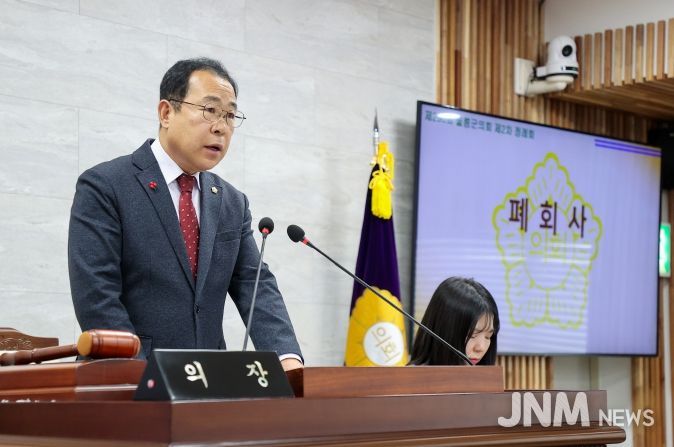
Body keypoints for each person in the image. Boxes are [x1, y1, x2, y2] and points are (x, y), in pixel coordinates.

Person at [68, 58, 303, 370]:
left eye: (230, 115)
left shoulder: (231, 202)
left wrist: (287, 358)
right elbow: (97, 297)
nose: (221, 127)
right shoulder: (106, 186)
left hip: (209, 382)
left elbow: (255, 284)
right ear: (166, 113)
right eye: (210, 110)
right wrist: (141, 375)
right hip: (126, 380)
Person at [409, 277, 499, 366]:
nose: (481, 348)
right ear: (443, 329)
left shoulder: (484, 374)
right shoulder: (411, 375)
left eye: (488, 337)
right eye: (472, 335)